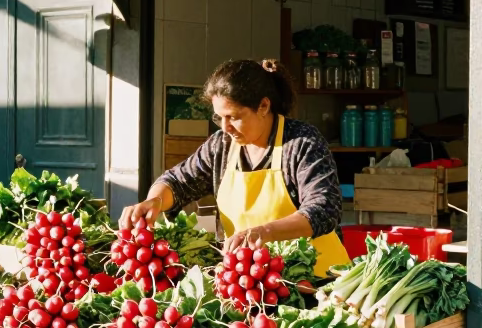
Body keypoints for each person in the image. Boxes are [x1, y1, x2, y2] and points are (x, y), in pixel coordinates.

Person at [121, 58, 348, 277]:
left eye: (234, 117)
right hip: (250, 283)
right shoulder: (221, 145)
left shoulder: (301, 142)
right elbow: (177, 182)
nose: (225, 127)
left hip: (317, 280)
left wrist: (264, 232)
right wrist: (155, 202)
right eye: (219, 118)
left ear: (263, 106)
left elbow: (324, 209)